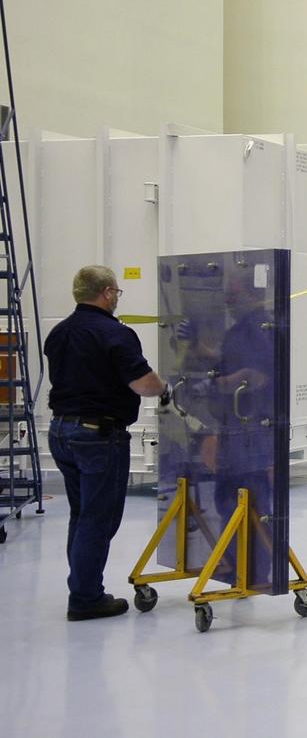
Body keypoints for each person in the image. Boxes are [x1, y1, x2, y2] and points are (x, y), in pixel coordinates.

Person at [44, 265, 170, 621]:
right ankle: (85, 598)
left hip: (61, 432)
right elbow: (143, 384)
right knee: (98, 519)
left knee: (81, 514)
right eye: (117, 293)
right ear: (108, 293)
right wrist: (166, 389)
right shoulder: (115, 334)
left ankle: (82, 588)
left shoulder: (59, 333)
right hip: (97, 436)